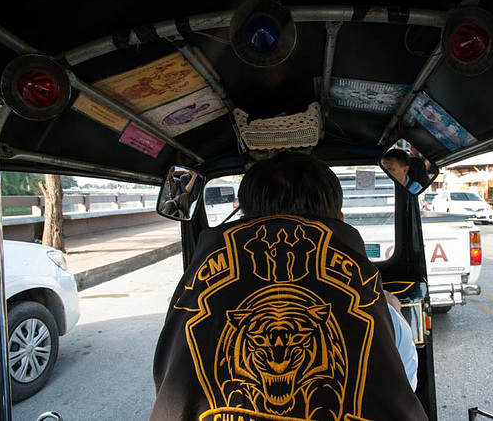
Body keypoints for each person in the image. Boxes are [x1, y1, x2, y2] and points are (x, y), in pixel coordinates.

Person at [150, 151, 428, 421]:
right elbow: (403, 389)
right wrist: (394, 312)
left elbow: (170, 385)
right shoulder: (376, 312)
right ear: (340, 221)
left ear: (244, 220)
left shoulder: (195, 307)